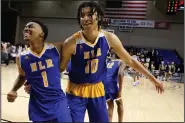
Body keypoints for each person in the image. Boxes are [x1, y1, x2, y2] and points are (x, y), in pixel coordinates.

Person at [25, 1, 164, 122]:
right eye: (82, 15)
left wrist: (154, 79)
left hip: (97, 89)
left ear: (99, 16)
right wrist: (34, 82)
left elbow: (130, 61)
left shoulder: (109, 38)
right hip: (75, 92)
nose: (85, 18)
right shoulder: (71, 42)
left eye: (90, 14)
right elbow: (59, 69)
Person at [7, 20, 72, 122]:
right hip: (38, 105)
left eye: (31, 26)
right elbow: (21, 76)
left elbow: (74, 44)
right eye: (25, 27)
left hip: (58, 102)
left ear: (42, 34)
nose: (26, 29)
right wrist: (13, 90)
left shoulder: (56, 48)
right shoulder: (21, 57)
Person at [103, 51, 125, 122]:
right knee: (120, 103)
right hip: (111, 84)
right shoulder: (122, 62)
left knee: (110, 106)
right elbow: (120, 74)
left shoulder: (109, 62)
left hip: (103, 83)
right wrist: (120, 91)